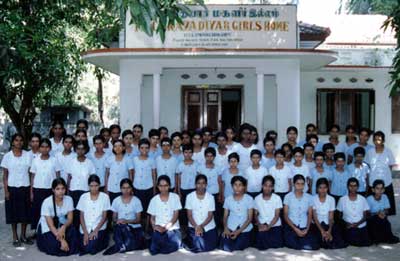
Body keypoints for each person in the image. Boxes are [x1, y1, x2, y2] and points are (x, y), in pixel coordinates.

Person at [1, 134, 33, 246]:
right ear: (13, 142)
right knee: (13, 214)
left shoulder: (28, 156)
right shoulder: (7, 156)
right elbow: (4, 176)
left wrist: (31, 191)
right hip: (12, 188)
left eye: (20, 140)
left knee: (25, 213)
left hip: (25, 187)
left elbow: (30, 174)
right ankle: (15, 237)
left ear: (23, 142)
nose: (18, 142)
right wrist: (6, 191)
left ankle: (23, 235)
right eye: (16, 140)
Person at [37, 178, 79, 256]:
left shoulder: (69, 199)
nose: (61, 191)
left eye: (63, 188)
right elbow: (50, 225)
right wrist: (62, 240)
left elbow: (70, 219)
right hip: (50, 227)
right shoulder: (47, 202)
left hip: (62, 224)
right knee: (55, 245)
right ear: (53, 190)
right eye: (58, 189)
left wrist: (64, 227)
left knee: (74, 239)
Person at [103, 178, 145, 255]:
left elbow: (138, 220)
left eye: (128, 188)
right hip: (121, 227)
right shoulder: (116, 200)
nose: (126, 190)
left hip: (134, 227)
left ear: (131, 188)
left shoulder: (136, 200)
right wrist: (118, 221)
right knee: (120, 228)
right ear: (120, 189)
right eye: (123, 188)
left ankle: (120, 245)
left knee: (127, 235)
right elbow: (114, 218)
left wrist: (126, 221)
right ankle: (124, 245)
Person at [31, 138, 61, 231]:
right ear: (39, 148)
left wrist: (58, 190)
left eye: (47, 147)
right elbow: (32, 177)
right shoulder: (35, 160)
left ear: (50, 148)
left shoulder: (54, 160)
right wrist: (31, 192)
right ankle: (38, 231)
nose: (44, 149)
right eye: (42, 147)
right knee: (38, 211)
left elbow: (57, 176)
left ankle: (51, 230)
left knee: (50, 211)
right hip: (38, 189)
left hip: (50, 190)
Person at [148, 175, 182, 255]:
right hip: (159, 228)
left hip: (172, 228)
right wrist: (155, 226)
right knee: (156, 245)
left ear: (169, 186)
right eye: (161, 186)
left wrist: (167, 227)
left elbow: (175, 216)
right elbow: (152, 217)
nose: (163, 188)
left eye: (166, 185)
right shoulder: (154, 200)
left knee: (174, 244)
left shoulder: (175, 197)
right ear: (158, 187)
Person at [283, 174, 319, 250]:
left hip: (304, 225)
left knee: (315, 244)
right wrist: (295, 229)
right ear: (293, 184)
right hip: (292, 225)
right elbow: (285, 215)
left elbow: (310, 214)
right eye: (298, 184)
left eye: (302, 184)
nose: (300, 186)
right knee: (290, 241)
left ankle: (302, 242)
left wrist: (307, 229)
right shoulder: (288, 197)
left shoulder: (309, 197)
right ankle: (301, 243)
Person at [77, 175, 110, 255]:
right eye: (91, 186)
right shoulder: (83, 197)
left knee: (91, 248)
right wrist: (85, 232)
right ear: (88, 186)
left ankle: (104, 238)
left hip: (99, 227)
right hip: (86, 227)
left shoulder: (105, 197)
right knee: (84, 245)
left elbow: (104, 217)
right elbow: (81, 216)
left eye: (96, 186)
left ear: (99, 185)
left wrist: (95, 231)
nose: (94, 188)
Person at [365, 131, 397, 215]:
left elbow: (390, 166)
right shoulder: (370, 152)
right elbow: (367, 166)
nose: (377, 142)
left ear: (383, 141)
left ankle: (384, 221)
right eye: (375, 140)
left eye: (379, 139)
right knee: (372, 207)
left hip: (386, 182)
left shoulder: (388, 151)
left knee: (386, 206)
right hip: (373, 182)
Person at [185, 174, 218, 253]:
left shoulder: (210, 197)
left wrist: (201, 226)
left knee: (210, 246)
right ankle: (189, 238)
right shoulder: (189, 196)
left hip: (208, 225)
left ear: (206, 185)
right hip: (194, 225)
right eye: (199, 183)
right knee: (197, 245)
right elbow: (189, 215)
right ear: (195, 184)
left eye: (203, 183)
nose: (201, 185)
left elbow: (210, 216)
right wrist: (197, 227)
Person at [220, 176, 254, 252]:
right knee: (226, 246)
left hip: (244, 227)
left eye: (240, 185)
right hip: (231, 226)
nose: (237, 187)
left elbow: (249, 218)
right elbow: (225, 216)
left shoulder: (249, 199)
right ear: (232, 186)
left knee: (239, 245)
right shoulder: (228, 199)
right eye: (235, 185)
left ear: (244, 187)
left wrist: (238, 232)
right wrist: (225, 228)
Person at [312, 178, 347, 249]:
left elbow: (331, 217)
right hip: (317, 225)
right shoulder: (313, 199)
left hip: (328, 224)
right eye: (320, 188)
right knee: (320, 241)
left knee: (337, 240)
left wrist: (329, 231)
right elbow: (315, 218)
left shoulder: (331, 199)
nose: (322, 190)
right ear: (317, 188)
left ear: (328, 188)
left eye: (325, 187)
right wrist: (322, 231)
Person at [67, 140, 95, 228]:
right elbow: (69, 177)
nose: (80, 151)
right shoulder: (71, 162)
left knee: (84, 213)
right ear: (75, 149)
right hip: (73, 191)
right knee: (74, 212)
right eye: (78, 149)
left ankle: (83, 231)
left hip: (85, 191)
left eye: (83, 149)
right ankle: (74, 233)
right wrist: (67, 191)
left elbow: (92, 178)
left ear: (86, 150)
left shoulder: (89, 163)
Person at [337, 178, 371, 247]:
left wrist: (357, 224)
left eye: (355, 186)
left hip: (361, 225)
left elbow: (365, 216)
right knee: (352, 237)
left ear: (358, 187)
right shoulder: (342, 199)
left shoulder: (362, 199)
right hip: (348, 226)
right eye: (350, 186)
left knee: (365, 242)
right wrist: (346, 223)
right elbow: (339, 216)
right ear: (347, 187)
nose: (353, 188)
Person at [133, 138, 157, 234]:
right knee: (139, 208)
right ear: (138, 148)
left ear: (149, 149)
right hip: (137, 187)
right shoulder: (134, 160)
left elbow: (154, 175)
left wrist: (154, 188)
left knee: (148, 209)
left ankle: (148, 228)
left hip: (149, 187)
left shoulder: (151, 160)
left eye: (147, 148)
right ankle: (140, 229)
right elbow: (133, 173)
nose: (144, 150)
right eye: (142, 148)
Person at [254, 175, 284, 250]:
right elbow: (255, 215)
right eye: (265, 185)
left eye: (270, 186)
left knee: (277, 243)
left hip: (274, 225)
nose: (267, 188)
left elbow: (277, 216)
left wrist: (269, 226)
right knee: (260, 241)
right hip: (262, 224)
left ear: (273, 187)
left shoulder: (277, 198)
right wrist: (260, 225)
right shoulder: (257, 198)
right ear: (262, 186)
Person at [366, 179, 399, 244]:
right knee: (376, 221)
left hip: (382, 217)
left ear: (384, 190)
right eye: (377, 188)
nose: (379, 191)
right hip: (372, 219)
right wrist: (377, 213)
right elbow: (367, 213)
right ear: (373, 190)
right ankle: (377, 238)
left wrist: (383, 212)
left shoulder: (385, 196)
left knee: (386, 223)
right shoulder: (369, 198)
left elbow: (387, 210)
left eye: (381, 189)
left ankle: (386, 238)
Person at [197, 147, 223, 227]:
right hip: (204, 194)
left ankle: (216, 229)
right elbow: (198, 182)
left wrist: (220, 194)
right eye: (207, 156)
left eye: (211, 156)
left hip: (215, 193)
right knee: (205, 212)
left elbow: (220, 182)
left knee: (216, 213)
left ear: (214, 157)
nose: (209, 158)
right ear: (204, 156)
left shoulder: (218, 168)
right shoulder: (200, 167)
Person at [176, 144, 198, 231]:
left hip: (193, 190)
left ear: (192, 153)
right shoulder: (180, 165)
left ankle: (193, 226)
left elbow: (198, 177)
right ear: (183, 153)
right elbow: (178, 179)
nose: (188, 154)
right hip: (183, 190)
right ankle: (184, 228)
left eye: (190, 152)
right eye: (186, 152)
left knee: (193, 209)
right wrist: (178, 191)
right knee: (184, 210)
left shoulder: (196, 164)